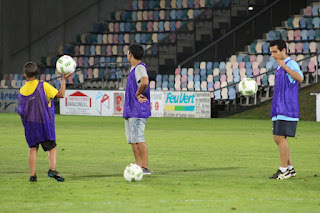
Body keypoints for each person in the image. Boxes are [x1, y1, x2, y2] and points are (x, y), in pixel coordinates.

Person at [18, 62, 72, 182]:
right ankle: (52, 170)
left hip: (30, 125)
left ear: (25, 75)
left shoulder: (22, 90)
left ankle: (32, 176)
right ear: (37, 73)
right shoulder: (43, 86)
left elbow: (21, 110)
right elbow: (61, 94)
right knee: (52, 147)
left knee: (32, 148)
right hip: (44, 123)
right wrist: (63, 80)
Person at [269, 40, 304, 179]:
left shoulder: (290, 64)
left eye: (275, 52)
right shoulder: (280, 67)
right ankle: (290, 168)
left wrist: (285, 67)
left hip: (287, 108)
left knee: (279, 137)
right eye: (271, 52)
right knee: (278, 138)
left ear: (283, 50)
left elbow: (300, 78)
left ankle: (283, 170)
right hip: (279, 108)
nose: (273, 55)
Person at [123, 44, 151, 175]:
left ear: (131, 54)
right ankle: (139, 167)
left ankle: (145, 167)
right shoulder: (134, 69)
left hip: (137, 109)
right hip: (131, 109)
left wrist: (137, 93)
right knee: (133, 140)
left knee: (138, 138)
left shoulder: (139, 68)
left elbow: (144, 82)